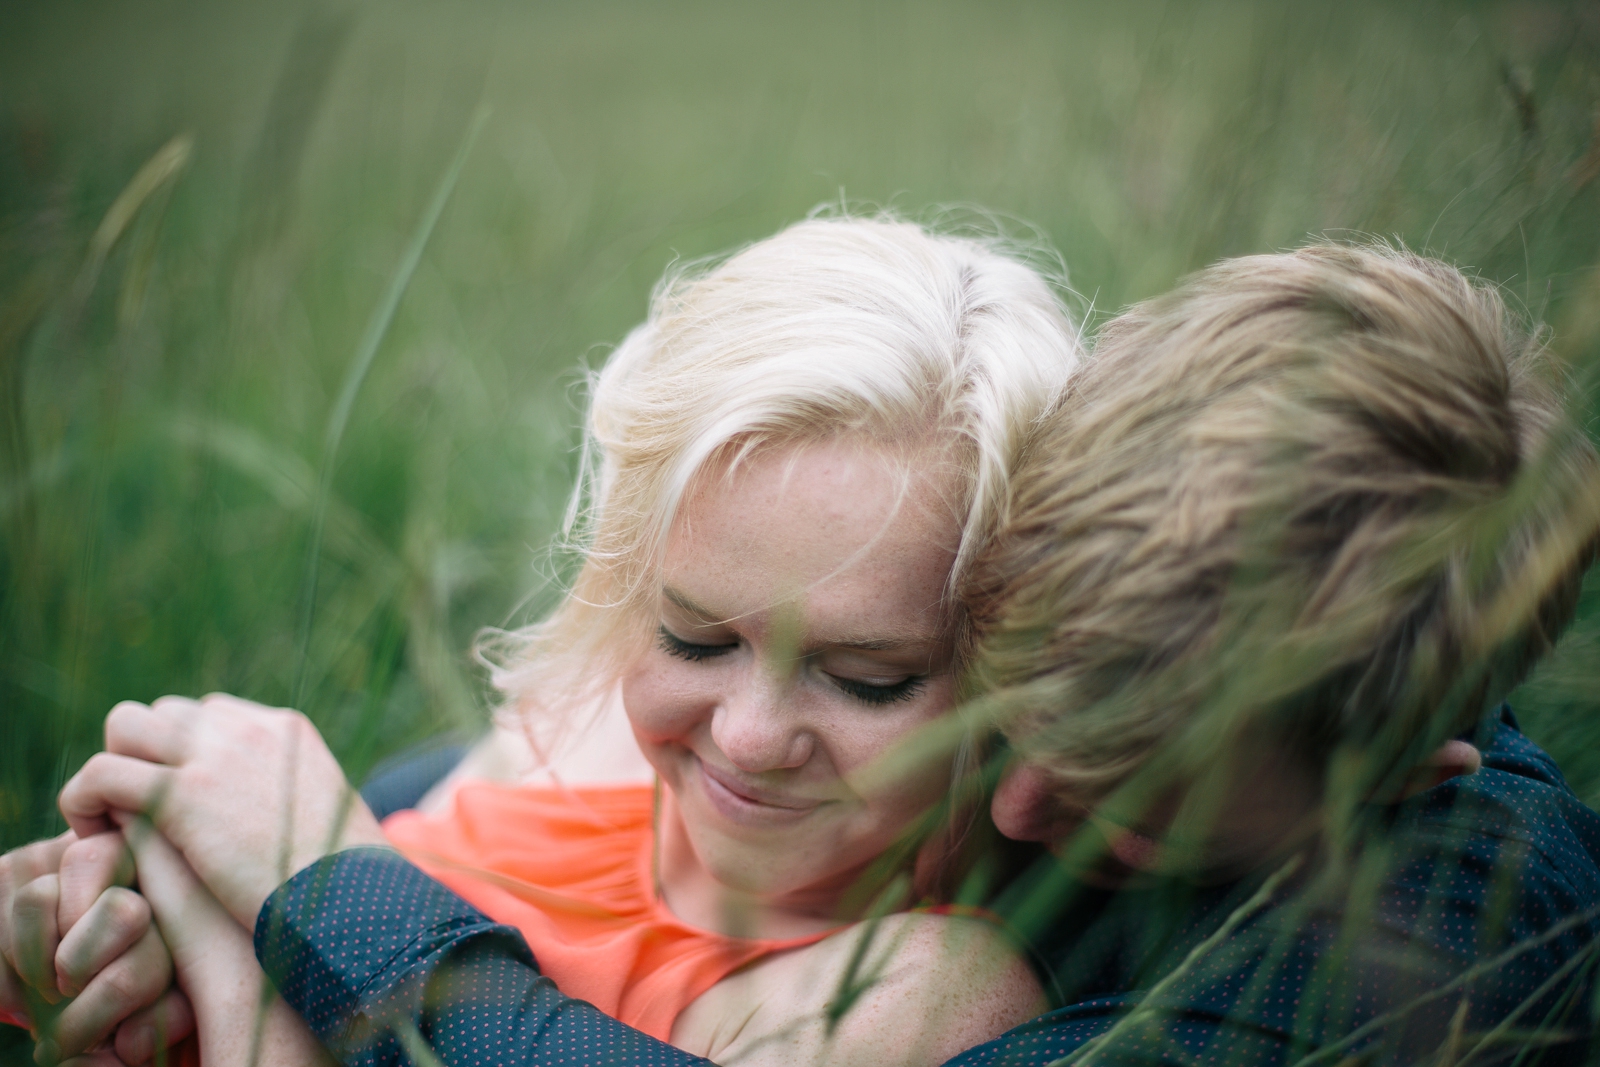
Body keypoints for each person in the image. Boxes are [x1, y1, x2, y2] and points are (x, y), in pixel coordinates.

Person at [11, 240, 1600, 1067]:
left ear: (1397, 768)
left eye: (876, 673)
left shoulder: (1446, 939)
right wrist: (154, 914)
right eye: (1010, 687)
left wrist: (305, 903)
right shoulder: (602, 746)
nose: (1022, 799)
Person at [3, 213, 1084, 1066]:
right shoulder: (582, 727)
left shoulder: (923, 993)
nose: (748, 736)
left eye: (866, 679)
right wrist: (99, 931)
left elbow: (301, 917)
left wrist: (283, 895)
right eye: (693, 637)